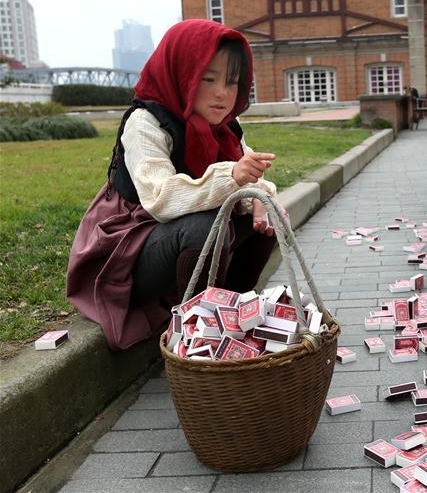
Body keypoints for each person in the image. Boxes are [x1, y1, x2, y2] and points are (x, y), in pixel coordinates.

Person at [66, 19, 279, 350]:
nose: (223, 93)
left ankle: (233, 319)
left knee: (267, 219)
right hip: (127, 252)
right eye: (208, 79)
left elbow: (251, 177)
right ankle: (197, 339)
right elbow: (161, 199)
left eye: (232, 82)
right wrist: (232, 177)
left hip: (176, 239)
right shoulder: (145, 123)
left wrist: (261, 199)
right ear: (183, 75)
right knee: (205, 226)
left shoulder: (225, 124)